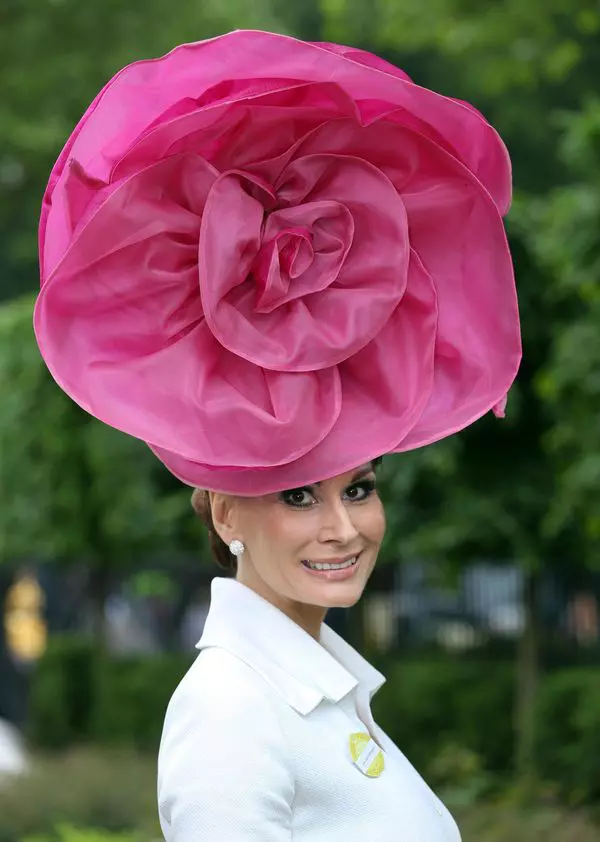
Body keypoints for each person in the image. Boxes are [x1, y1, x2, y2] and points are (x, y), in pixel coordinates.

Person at [34, 30, 521, 841]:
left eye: (357, 489)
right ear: (225, 514)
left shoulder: (317, 693)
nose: (344, 527)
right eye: (299, 496)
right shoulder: (230, 711)